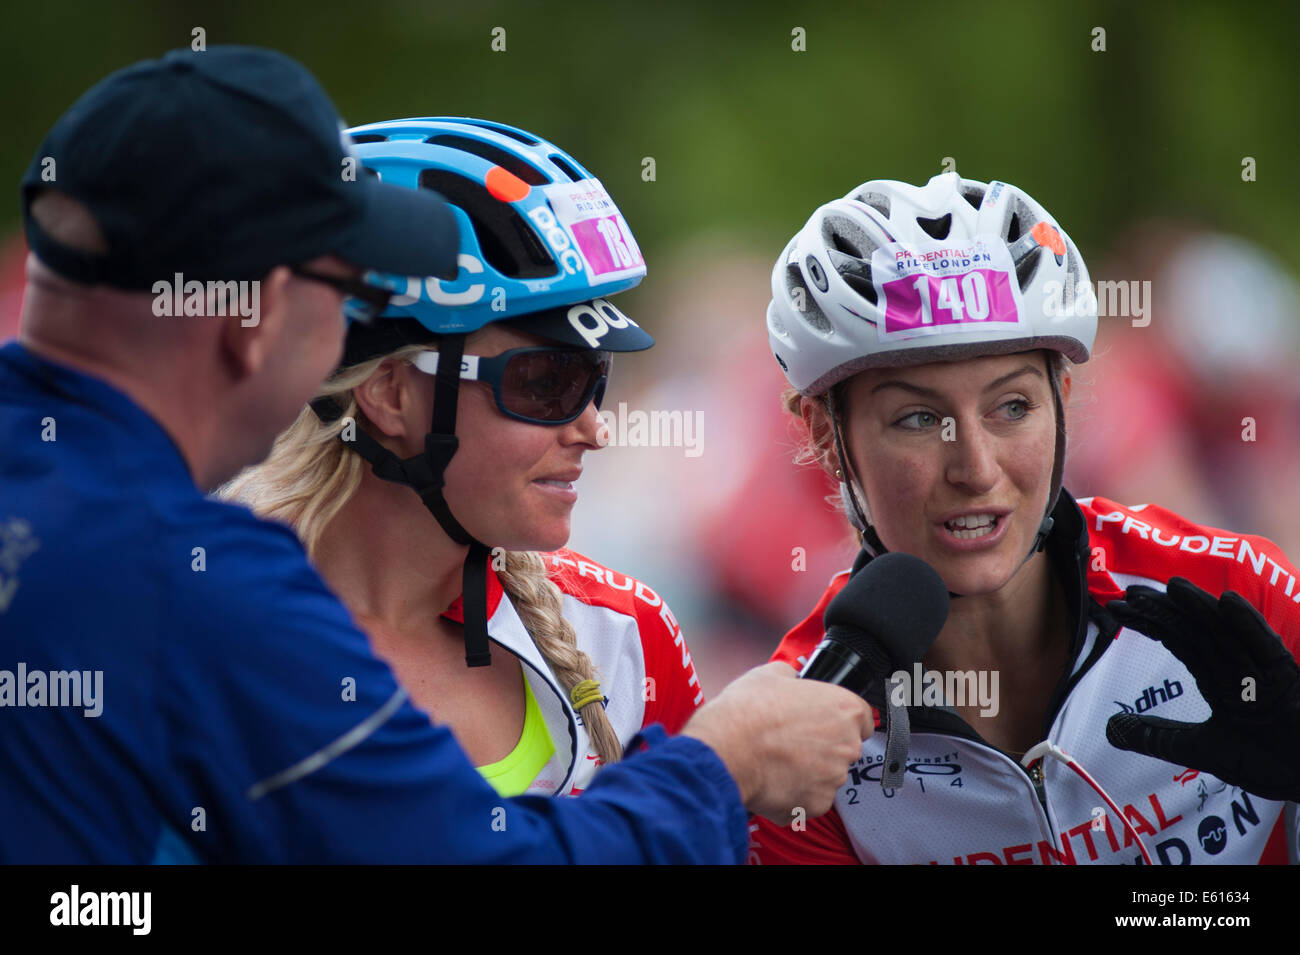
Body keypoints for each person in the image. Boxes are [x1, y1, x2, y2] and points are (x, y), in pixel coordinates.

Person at [0, 45, 873, 864]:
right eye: (342, 293)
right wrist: (720, 766)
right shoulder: (197, 586)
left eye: (598, 378)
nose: (340, 340)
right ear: (257, 319)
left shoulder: (97, 520)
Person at [748, 171, 1300, 865]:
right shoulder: (806, 731)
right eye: (918, 418)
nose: (976, 468)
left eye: (1012, 407)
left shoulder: (1233, 591)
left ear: (1062, 401)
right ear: (828, 437)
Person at [223, 118, 705, 795]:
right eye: (547, 383)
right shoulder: (207, 642)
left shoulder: (625, 634)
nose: (595, 431)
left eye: (597, 378)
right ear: (389, 392)